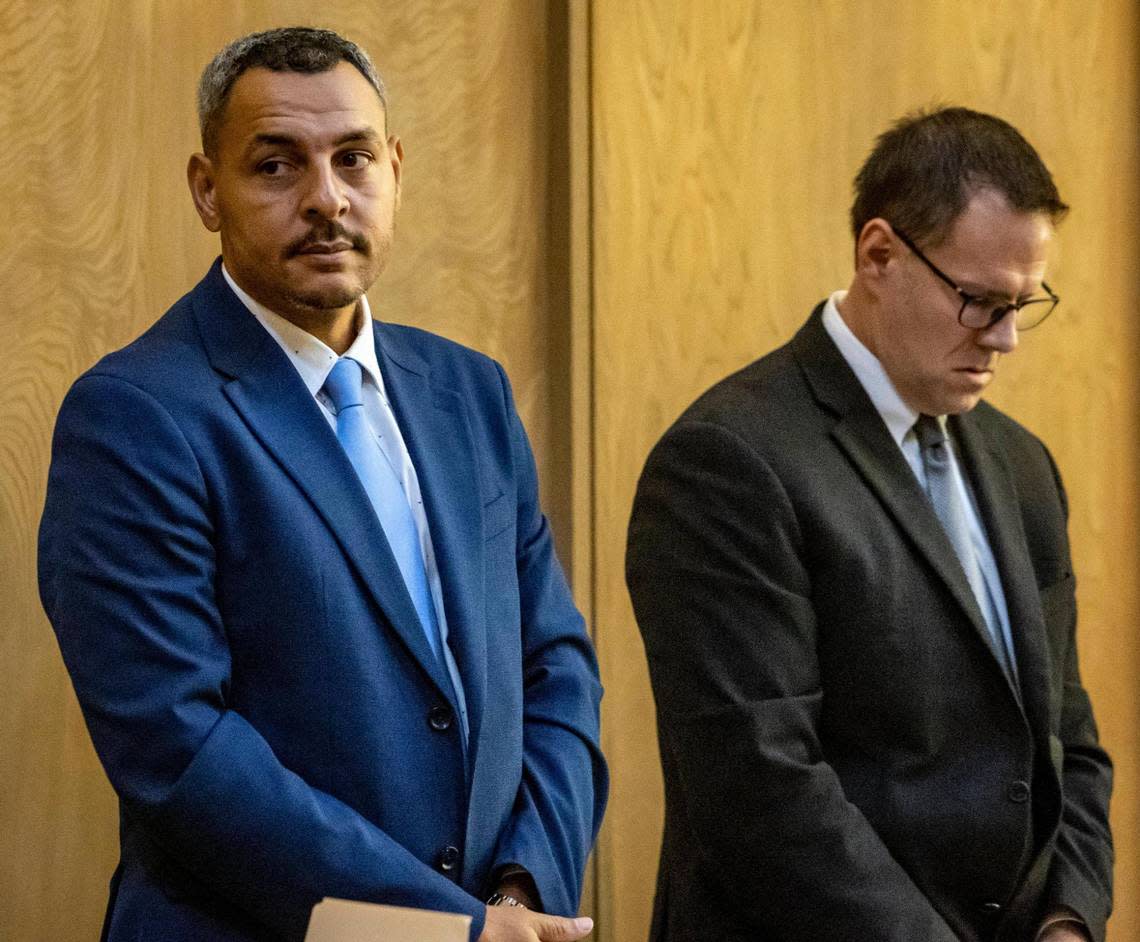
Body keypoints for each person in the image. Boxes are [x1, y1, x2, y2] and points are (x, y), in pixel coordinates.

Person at [39, 27, 606, 942]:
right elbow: (181, 750)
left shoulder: (471, 392)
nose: (326, 200)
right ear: (206, 190)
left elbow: (555, 671)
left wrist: (519, 896)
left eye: (354, 159)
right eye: (276, 167)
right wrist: (445, 929)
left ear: (395, 169)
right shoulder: (135, 415)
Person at [626, 108, 1112, 942]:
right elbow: (759, 788)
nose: (1004, 340)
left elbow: (1068, 740)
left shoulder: (1022, 463)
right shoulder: (729, 460)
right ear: (879, 254)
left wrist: (1069, 918)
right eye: (979, 302)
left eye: (1023, 305)